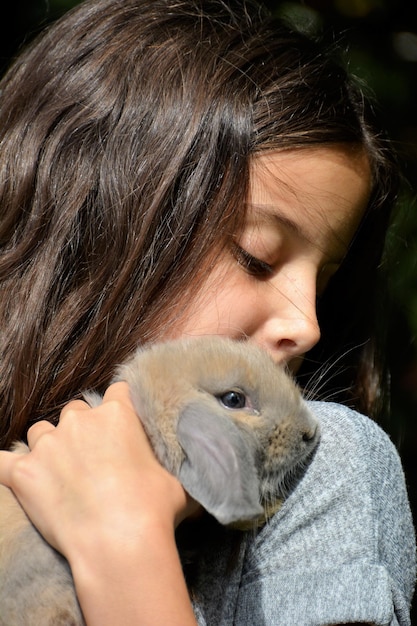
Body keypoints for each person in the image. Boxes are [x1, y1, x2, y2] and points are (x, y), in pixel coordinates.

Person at [0, 0, 414, 624]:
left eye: (324, 283)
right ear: (96, 230)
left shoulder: (316, 470)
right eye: (258, 257)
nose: (309, 324)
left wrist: (125, 544)